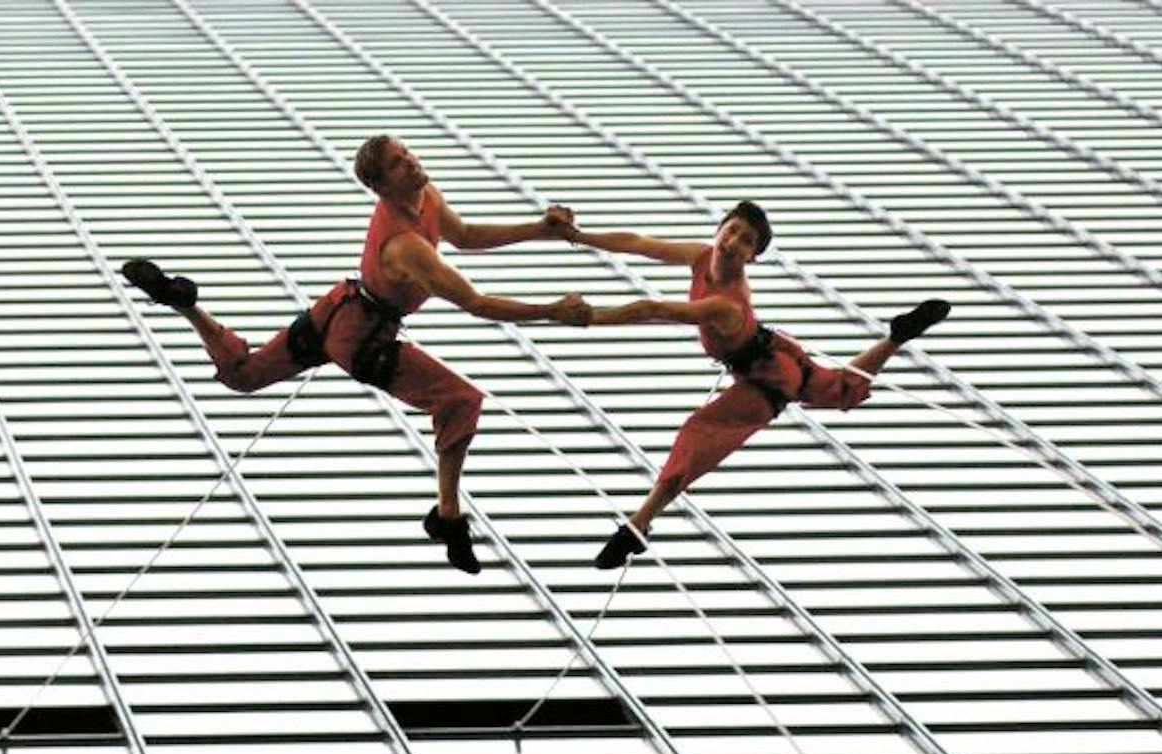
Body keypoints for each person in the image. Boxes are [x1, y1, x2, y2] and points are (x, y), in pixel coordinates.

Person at [121, 135, 590, 574]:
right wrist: (553, 311)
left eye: (407, 153)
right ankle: (447, 516)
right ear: (381, 186)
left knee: (245, 374)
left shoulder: (425, 195)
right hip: (363, 338)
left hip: (341, 306)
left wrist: (539, 228)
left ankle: (187, 307)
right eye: (398, 164)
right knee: (460, 400)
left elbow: (466, 235)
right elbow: (476, 303)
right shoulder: (405, 247)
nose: (412, 162)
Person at [561, 200, 949, 569]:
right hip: (773, 353)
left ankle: (638, 524)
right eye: (731, 231)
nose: (732, 243)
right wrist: (577, 236)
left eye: (746, 241)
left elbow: (654, 309)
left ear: (753, 257)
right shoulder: (699, 255)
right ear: (718, 230)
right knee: (840, 389)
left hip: (768, 376)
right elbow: (636, 244)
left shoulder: (727, 304)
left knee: (699, 436)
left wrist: (586, 317)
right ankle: (895, 338)